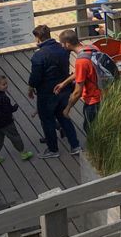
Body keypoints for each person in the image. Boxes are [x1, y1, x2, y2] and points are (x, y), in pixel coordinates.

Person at [28, 24, 81, 158]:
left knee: (47, 121)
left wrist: (31, 87)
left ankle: (53, 149)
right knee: (64, 117)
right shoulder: (63, 49)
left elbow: (35, 77)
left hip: (46, 93)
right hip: (63, 89)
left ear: (38, 38)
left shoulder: (38, 56)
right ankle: (75, 146)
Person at [0, 75, 35, 167]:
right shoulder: (4, 98)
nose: (6, 85)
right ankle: (23, 153)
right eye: (4, 84)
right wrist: (14, 108)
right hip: (6, 123)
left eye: (6, 84)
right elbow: (8, 110)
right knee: (15, 137)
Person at [57, 30, 103, 131]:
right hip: (104, 94)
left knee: (90, 129)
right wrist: (64, 83)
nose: (62, 46)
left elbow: (77, 92)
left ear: (68, 44)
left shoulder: (81, 61)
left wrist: (67, 108)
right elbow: (82, 72)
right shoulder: (93, 48)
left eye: (62, 44)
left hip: (93, 101)